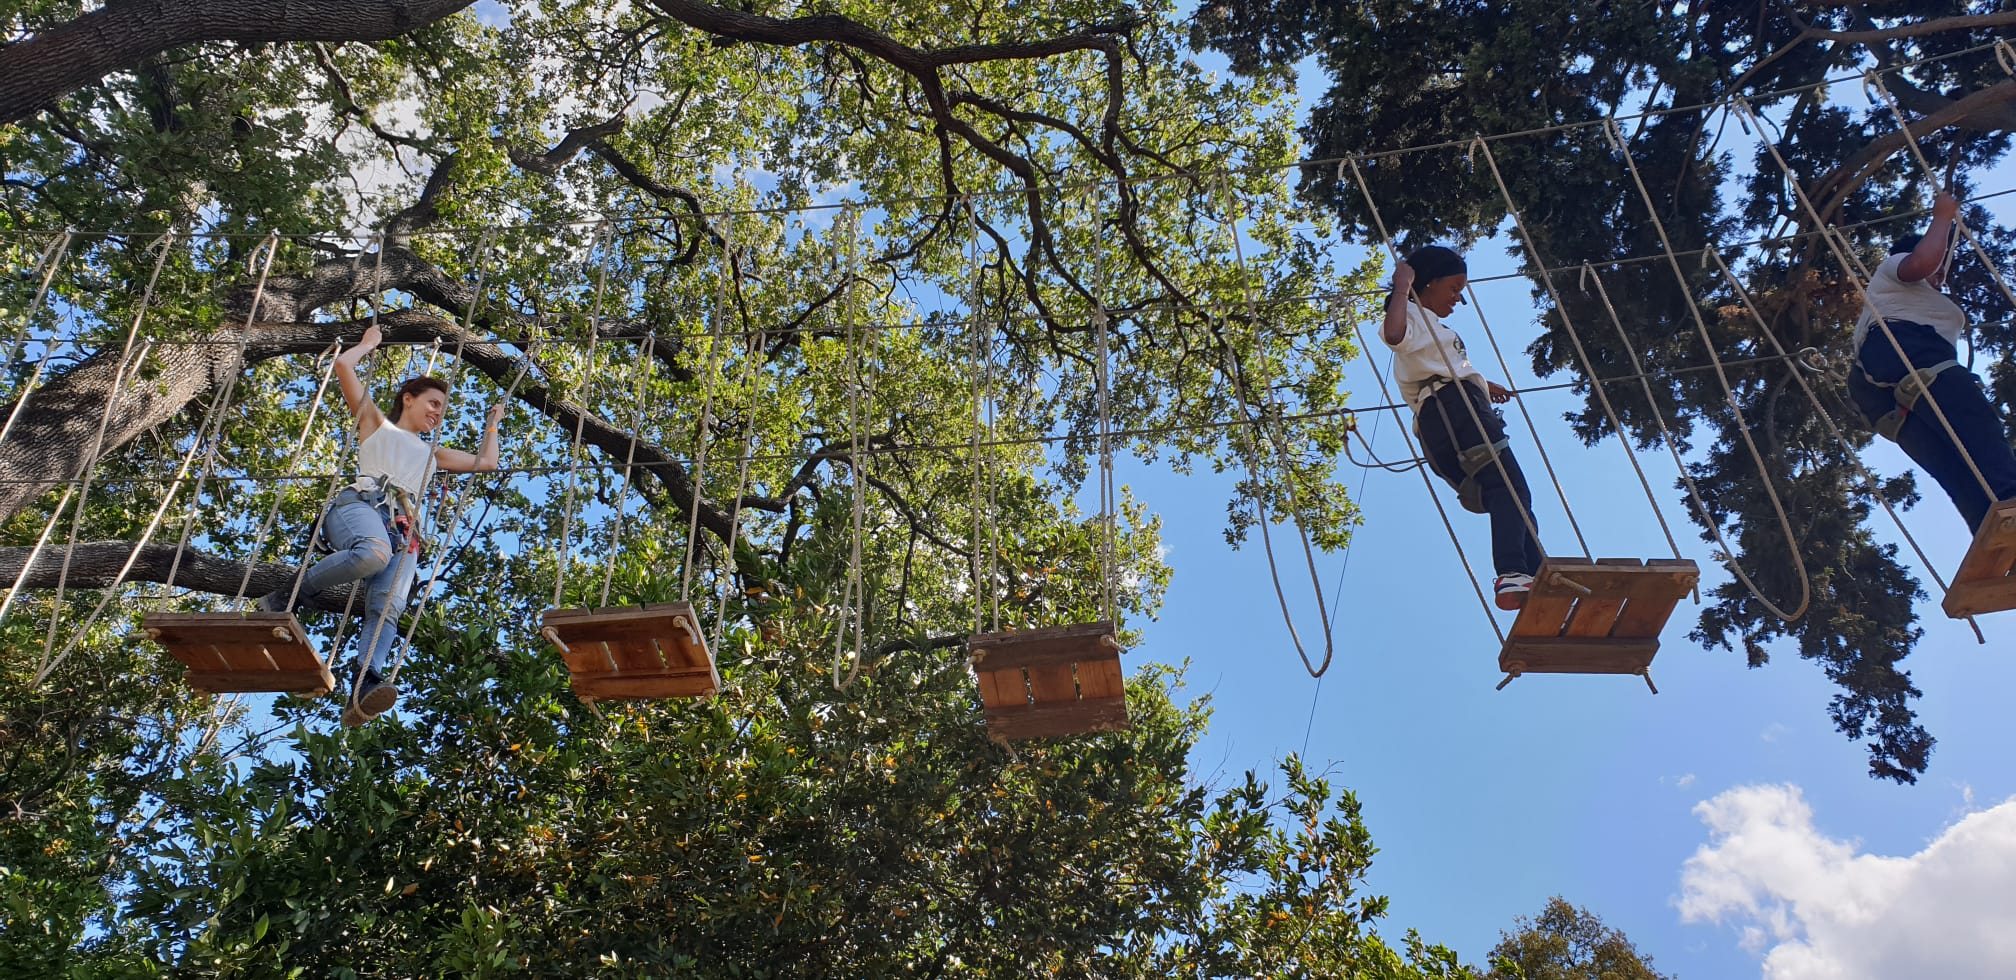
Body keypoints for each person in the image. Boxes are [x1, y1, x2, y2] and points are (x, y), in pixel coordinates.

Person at [258, 324, 503, 723]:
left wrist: (493, 422)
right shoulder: (375, 424)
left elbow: (487, 462)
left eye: (442, 409)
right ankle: (290, 595)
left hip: (405, 531)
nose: (437, 413)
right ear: (408, 398)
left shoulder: (433, 453)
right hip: (363, 505)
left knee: (388, 606)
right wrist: (367, 345)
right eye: (433, 403)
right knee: (372, 553)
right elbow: (343, 367)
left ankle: (364, 682)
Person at [1383, 244, 1544, 609]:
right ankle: (1513, 570)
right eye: (1454, 288)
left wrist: (1482, 383)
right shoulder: (1411, 313)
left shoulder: (1431, 327)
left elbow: (1437, 367)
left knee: (1512, 498)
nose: (1458, 298)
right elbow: (1393, 335)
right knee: (1512, 489)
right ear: (1429, 282)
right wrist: (1403, 285)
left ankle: (1533, 573)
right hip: (1456, 410)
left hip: (1439, 426)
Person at [1847, 189, 2016, 534]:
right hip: (1908, 351)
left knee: (1953, 462)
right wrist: (1943, 217)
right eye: (1939, 272)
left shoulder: (1906, 300)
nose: (1939, 278)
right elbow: (1922, 262)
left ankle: (1992, 530)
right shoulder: (1893, 270)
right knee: (1975, 424)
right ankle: (2011, 498)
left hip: (1877, 387)